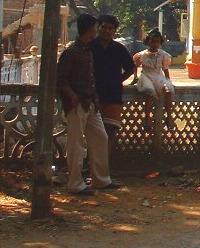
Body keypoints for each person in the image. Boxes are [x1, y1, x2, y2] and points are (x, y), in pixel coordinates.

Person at [57, 13, 120, 195]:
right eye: (95, 26)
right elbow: (60, 80)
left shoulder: (86, 50)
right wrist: (73, 96)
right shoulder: (72, 52)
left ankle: (100, 179)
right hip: (76, 104)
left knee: (101, 138)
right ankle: (75, 184)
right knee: (76, 145)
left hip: (90, 103)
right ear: (89, 29)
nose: (98, 29)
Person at [91, 14, 135, 156]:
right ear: (98, 28)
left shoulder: (118, 49)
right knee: (91, 133)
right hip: (91, 95)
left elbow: (130, 68)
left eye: (111, 28)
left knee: (110, 131)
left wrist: (117, 80)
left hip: (113, 95)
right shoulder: (90, 47)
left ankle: (106, 167)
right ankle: (91, 166)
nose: (107, 31)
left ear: (114, 31)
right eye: (104, 27)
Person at [133, 28, 176, 131]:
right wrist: (135, 78)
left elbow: (165, 70)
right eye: (152, 41)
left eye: (157, 42)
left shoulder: (163, 55)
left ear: (160, 43)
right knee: (149, 92)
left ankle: (169, 116)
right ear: (148, 41)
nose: (155, 44)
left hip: (159, 77)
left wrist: (168, 81)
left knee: (168, 90)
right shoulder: (142, 55)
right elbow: (135, 66)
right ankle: (147, 118)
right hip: (146, 77)